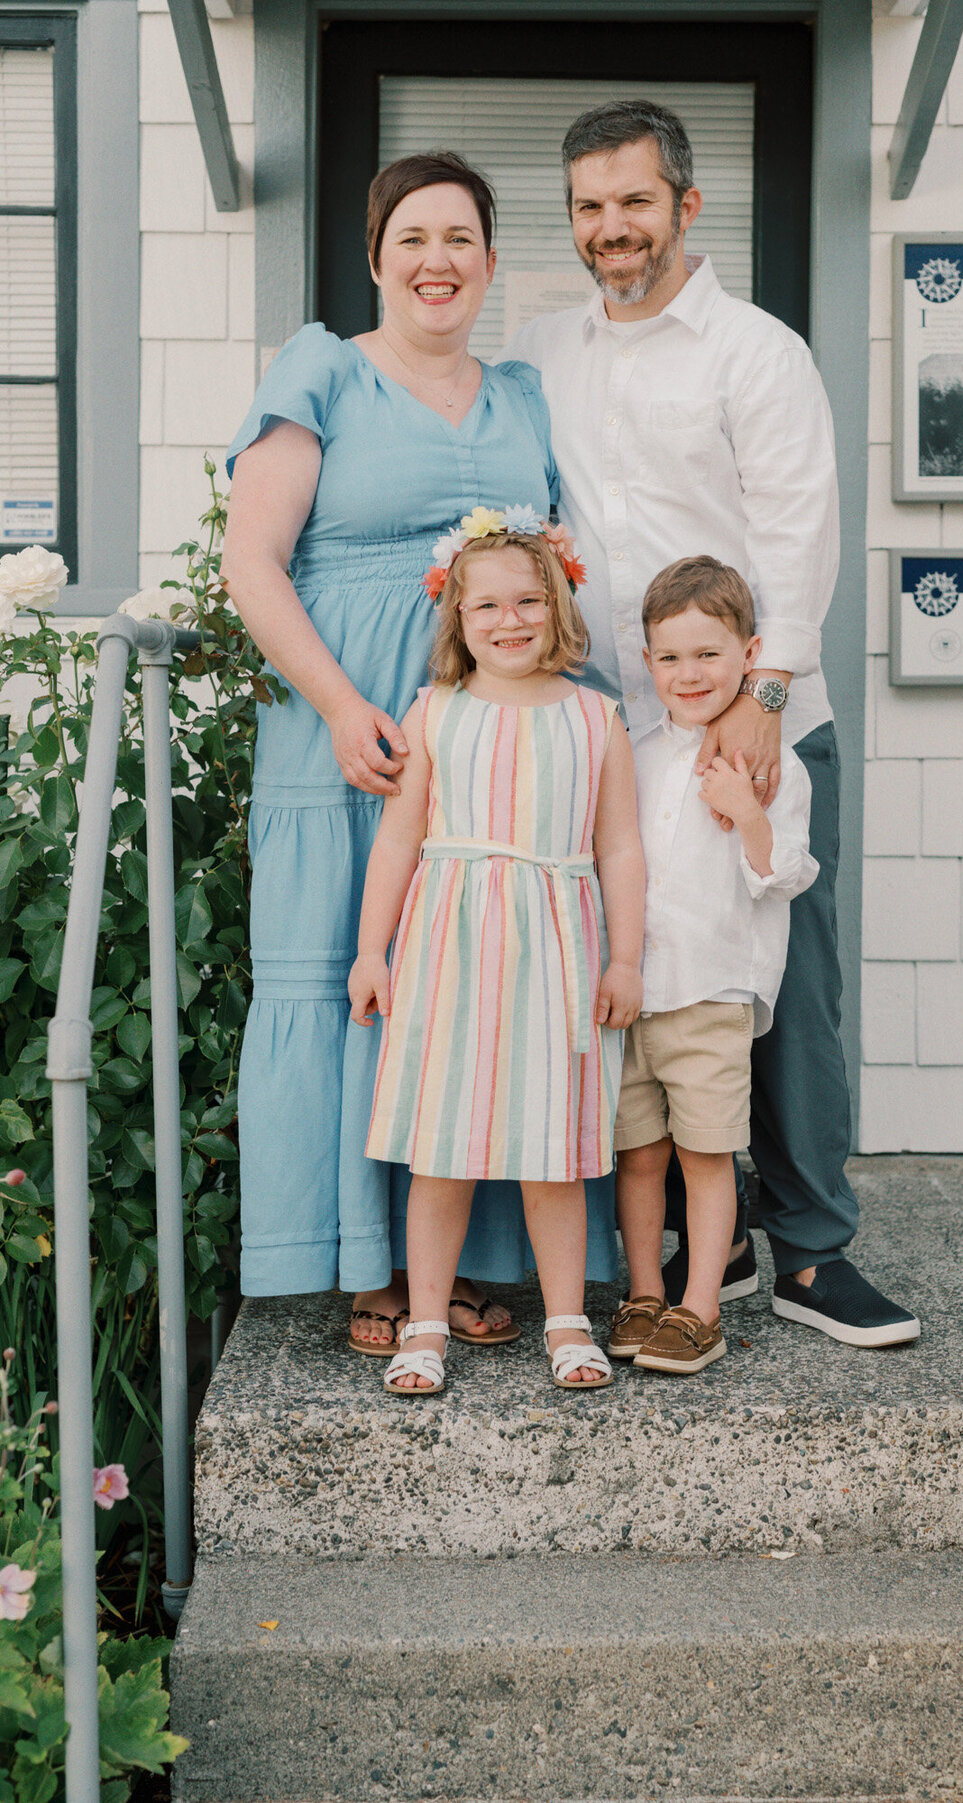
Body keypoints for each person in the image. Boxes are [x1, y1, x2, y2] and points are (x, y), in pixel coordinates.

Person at [504, 100, 919, 1347]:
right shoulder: (541, 350)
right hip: (611, 737)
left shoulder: (756, 351)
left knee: (782, 992)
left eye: (634, 201)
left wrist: (766, 696)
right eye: (588, 206)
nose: (609, 228)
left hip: (750, 720)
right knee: (647, 983)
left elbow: (798, 527)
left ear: (687, 206)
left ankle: (812, 1251)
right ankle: (711, 1239)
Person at [221, 151, 618, 1352]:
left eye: (461, 239)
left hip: (490, 751)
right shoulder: (324, 370)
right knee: (357, 978)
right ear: (377, 257)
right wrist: (344, 708)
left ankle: (470, 1266)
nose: (437, 261)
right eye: (414, 239)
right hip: (350, 735)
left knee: (482, 987)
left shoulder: (524, 397)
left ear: (490, 263)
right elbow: (253, 562)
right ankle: (365, 1264)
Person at [348, 514, 644, 1396]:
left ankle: (567, 1321)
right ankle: (427, 1323)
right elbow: (399, 841)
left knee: (549, 1148)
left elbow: (621, 846)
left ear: (557, 606)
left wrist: (624, 958)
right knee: (441, 1148)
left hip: (559, 951)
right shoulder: (438, 711)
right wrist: (372, 948)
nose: (509, 620)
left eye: (528, 601)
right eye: (488, 605)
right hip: (450, 948)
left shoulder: (597, 717)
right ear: (457, 614)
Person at [609, 558, 817, 1376]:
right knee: (638, 1154)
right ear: (648, 660)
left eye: (708, 654)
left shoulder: (774, 764)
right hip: (634, 993)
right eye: (670, 657)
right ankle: (642, 1293)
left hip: (711, 989)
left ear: (748, 652)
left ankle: (700, 1307)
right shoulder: (634, 751)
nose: (688, 673)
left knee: (705, 1154)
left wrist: (748, 815)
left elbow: (785, 874)